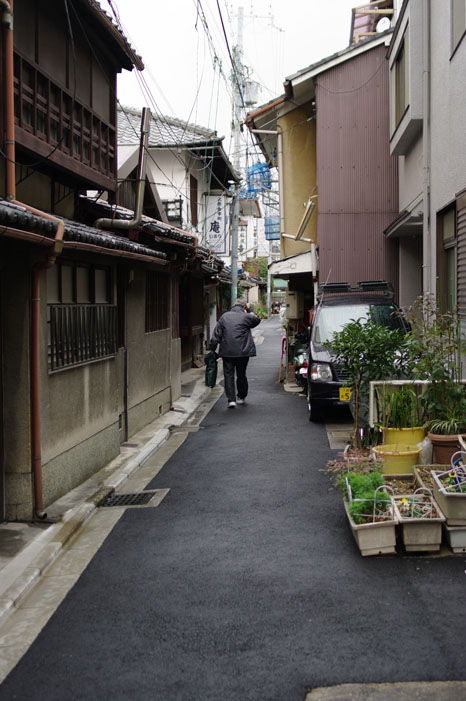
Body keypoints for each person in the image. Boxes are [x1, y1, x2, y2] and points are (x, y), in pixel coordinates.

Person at [208, 297, 261, 408]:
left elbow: (216, 333)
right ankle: (241, 397)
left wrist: (212, 347)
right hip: (243, 351)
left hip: (227, 351)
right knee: (241, 374)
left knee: (228, 375)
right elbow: (257, 320)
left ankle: (231, 400)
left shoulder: (224, 316)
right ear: (244, 307)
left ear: (233, 306)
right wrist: (251, 311)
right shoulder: (246, 317)